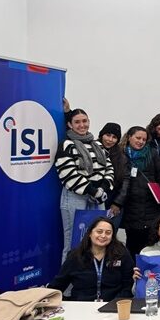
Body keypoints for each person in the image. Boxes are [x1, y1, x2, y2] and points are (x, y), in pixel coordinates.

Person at [55, 109, 114, 262]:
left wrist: (102, 189)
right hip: (75, 197)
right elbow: (68, 174)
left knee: (99, 241)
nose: (82, 125)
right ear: (70, 124)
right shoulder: (66, 145)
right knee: (73, 242)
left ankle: (91, 275)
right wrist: (93, 191)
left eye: (84, 121)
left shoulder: (98, 144)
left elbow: (109, 168)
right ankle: (68, 278)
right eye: (77, 122)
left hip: (99, 197)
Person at [113, 126, 160, 258]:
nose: (141, 141)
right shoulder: (121, 154)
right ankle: (133, 268)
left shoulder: (152, 153)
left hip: (151, 203)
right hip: (130, 205)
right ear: (129, 137)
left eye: (144, 139)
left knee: (151, 241)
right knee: (132, 242)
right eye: (138, 138)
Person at [49, 217, 134, 301]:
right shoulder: (75, 256)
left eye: (108, 233)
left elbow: (128, 285)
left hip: (113, 305)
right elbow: (59, 283)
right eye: (99, 231)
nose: (103, 235)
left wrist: (115, 303)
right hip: (82, 305)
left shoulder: (121, 254)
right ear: (90, 233)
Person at [98, 122, 127, 230]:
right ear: (102, 135)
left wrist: (117, 203)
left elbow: (125, 183)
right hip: (94, 200)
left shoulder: (122, 157)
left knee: (111, 234)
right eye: (108, 135)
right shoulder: (90, 149)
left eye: (114, 137)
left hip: (113, 204)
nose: (110, 140)